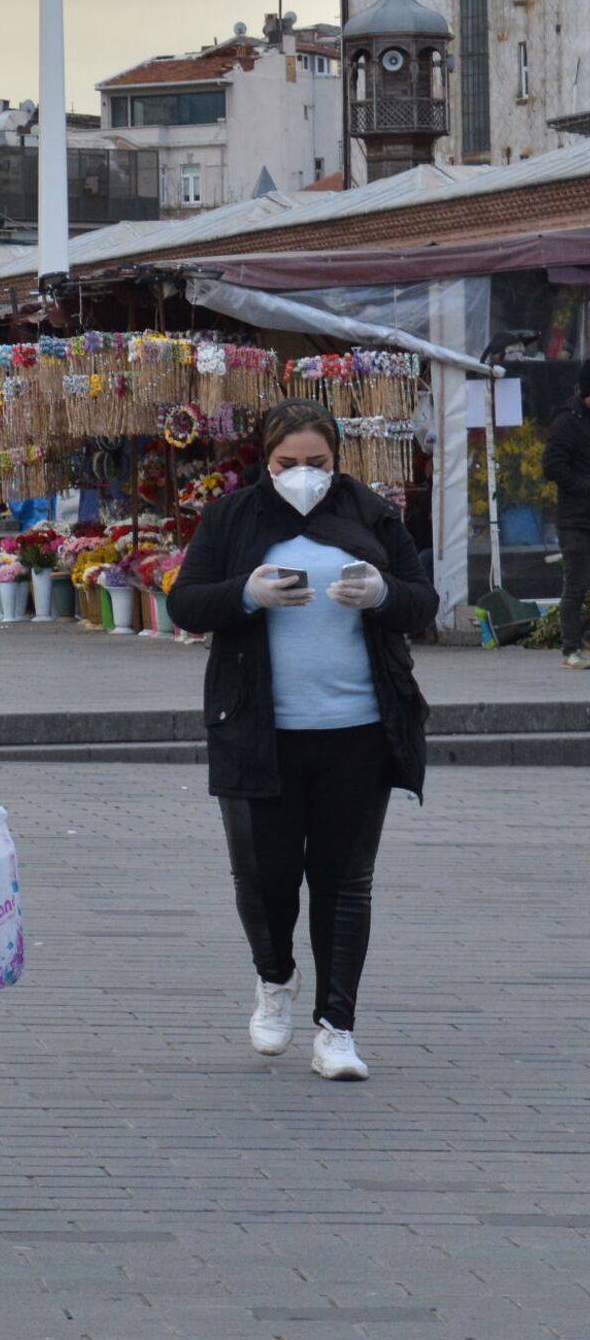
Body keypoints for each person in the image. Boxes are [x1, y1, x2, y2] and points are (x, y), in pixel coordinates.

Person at [170, 397, 437, 1083]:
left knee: (346, 882)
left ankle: (337, 1028)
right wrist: (246, 594)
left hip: (358, 729)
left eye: (316, 463)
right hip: (258, 728)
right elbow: (186, 600)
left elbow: (421, 598)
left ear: (337, 459)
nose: (302, 475)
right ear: (265, 460)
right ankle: (274, 976)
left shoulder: (370, 512)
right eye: (288, 463)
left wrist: (381, 592)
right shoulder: (234, 516)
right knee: (265, 877)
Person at [542, 363, 590, 670]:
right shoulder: (566, 423)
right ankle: (570, 650)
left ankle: (584, 639)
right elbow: (552, 466)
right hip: (576, 519)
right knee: (576, 585)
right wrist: (585, 486)